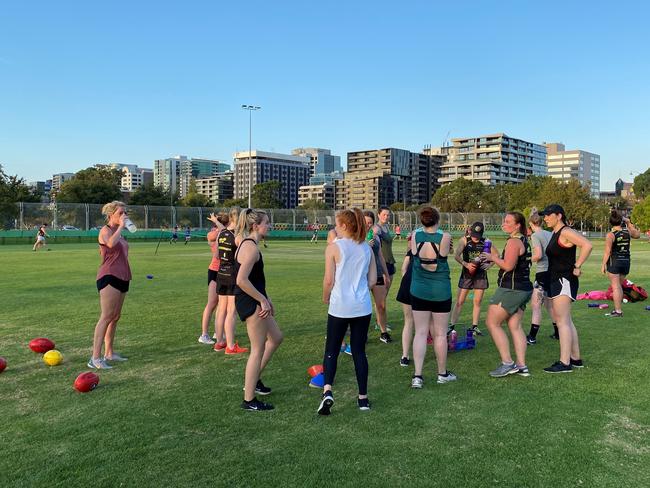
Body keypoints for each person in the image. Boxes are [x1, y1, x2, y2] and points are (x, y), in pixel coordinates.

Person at [318, 209, 377, 415]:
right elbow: (372, 280)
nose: (334, 227)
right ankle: (363, 398)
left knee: (331, 350)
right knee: (359, 352)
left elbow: (328, 280)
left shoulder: (334, 248)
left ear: (344, 226)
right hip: (362, 307)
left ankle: (327, 391)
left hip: (339, 306)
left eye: (336, 224)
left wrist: (326, 297)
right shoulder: (366, 249)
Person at [235, 209, 283, 411]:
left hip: (256, 299)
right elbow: (241, 280)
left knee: (277, 337)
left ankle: (254, 381)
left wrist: (267, 299)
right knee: (257, 349)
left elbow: (255, 280)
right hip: (250, 302)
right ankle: (249, 400)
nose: (269, 226)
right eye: (266, 223)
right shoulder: (251, 248)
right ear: (255, 226)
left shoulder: (249, 244)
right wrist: (262, 300)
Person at [539, 204, 593, 373]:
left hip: (564, 280)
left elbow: (587, 245)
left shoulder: (566, 232)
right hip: (557, 279)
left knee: (562, 321)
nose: (545, 218)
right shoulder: (556, 233)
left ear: (559, 215)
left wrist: (577, 265)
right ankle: (575, 359)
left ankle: (565, 363)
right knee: (566, 320)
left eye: (548, 215)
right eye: (544, 215)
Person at [481, 212, 533, 378]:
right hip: (523, 288)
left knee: (492, 322)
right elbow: (512, 264)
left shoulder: (514, 241)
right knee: (514, 326)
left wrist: (492, 257)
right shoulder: (523, 239)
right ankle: (522, 365)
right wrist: (494, 262)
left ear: (517, 225)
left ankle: (507, 363)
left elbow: (509, 266)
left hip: (511, 289)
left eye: (508, 221)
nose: (504, 224)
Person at [409, 207, 456, 388]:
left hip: (419, 290)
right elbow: (446, 252)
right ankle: (442, 373)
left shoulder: (415, 235)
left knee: (420, 332)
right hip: (440, 291)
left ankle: (417, 376)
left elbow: (414, 251)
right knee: (440, 334)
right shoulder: (445, 236)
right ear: (437, 219)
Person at [88, 201, 132, 369]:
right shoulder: (105, 231)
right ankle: (95, 358)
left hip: (123, 276)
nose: (124, 215)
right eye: (120, 213)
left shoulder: (118, 232)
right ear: (110, 215)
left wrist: (121, 228)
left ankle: (109, 353)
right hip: (109, 276)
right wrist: (121, 227)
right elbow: (110, 245)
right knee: (106, 316)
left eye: (125, 212)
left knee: (115, 317)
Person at [213, 208, 249, 354]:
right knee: (231, 311)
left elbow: (216, 255)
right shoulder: (237, 236)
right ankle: (231, 346)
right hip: (232, 275)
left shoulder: (221, 233)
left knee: (221, 309)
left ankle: (219, 342)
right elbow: (242, 257)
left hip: (220, 273)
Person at [450, 222, 491, 336]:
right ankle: (452, 326)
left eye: (477, 235)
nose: (475, 237)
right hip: (466, 275)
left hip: (480, 276)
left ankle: (475, 327)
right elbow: (457, 255)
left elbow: (496, 256)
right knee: (459, 301)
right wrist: (465, 264)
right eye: (473, 234)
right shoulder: (464, 240)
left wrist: (490, 265)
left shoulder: (486, 241)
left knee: (477, 301)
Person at [601, 210, 640, 317]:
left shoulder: (610, 234)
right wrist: (628, 222)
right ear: (621, 220)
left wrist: (603, 264)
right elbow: (637, 235)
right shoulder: (628, 231)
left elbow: (607, 251)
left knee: (616, 287)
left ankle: (618, 311)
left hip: (615, 262)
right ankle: (617, 309)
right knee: (619, 286)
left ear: (611, 222)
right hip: (626, 262)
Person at [526, 209, 555, 344]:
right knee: (550, 305)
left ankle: (532, 337)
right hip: (553, 272)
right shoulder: (550, 234)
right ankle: (558, 332)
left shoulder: (535, 236)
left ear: (531, 223)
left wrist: (526, 259)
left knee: (536, 305)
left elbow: (538, 255)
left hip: (543, 273)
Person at [364, 211, 392, 343]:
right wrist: (365, 246)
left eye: (370, 222)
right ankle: (361, 334)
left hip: (377, 273)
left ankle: (383, 332)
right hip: (362, 275)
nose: (367, 225)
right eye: (365, 222)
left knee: (381, 305)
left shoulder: (375, 237)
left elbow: (380, 256)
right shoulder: (355, 237)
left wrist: (386, 274)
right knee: (363, 307)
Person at [198, 213, 225, 345]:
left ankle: (218, 331)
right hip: (214, 270)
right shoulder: (212, 234)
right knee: (212, 303)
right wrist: (216, 221)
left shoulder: (225, 232)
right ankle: (204, 334)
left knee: (222, 304)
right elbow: (221, 231)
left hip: (224, 271)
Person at [396, 233, 415, 367]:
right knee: (426, 321)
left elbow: (403, 269)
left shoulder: (411, 252)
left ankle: (405, 356)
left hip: (407, 285)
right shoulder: (429, 250)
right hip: (420, 286)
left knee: (408, 321)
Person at [376, 207, 397, 329]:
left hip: (390, 263)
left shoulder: (386, 227)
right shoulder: (377, 229)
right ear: (378, 215)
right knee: (381, 297)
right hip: (382, 266)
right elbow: (371, 239)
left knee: (384, 296)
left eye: (388, 215)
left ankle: (380, 321)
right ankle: (380, 323)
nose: (386, 217)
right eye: (384, 215)